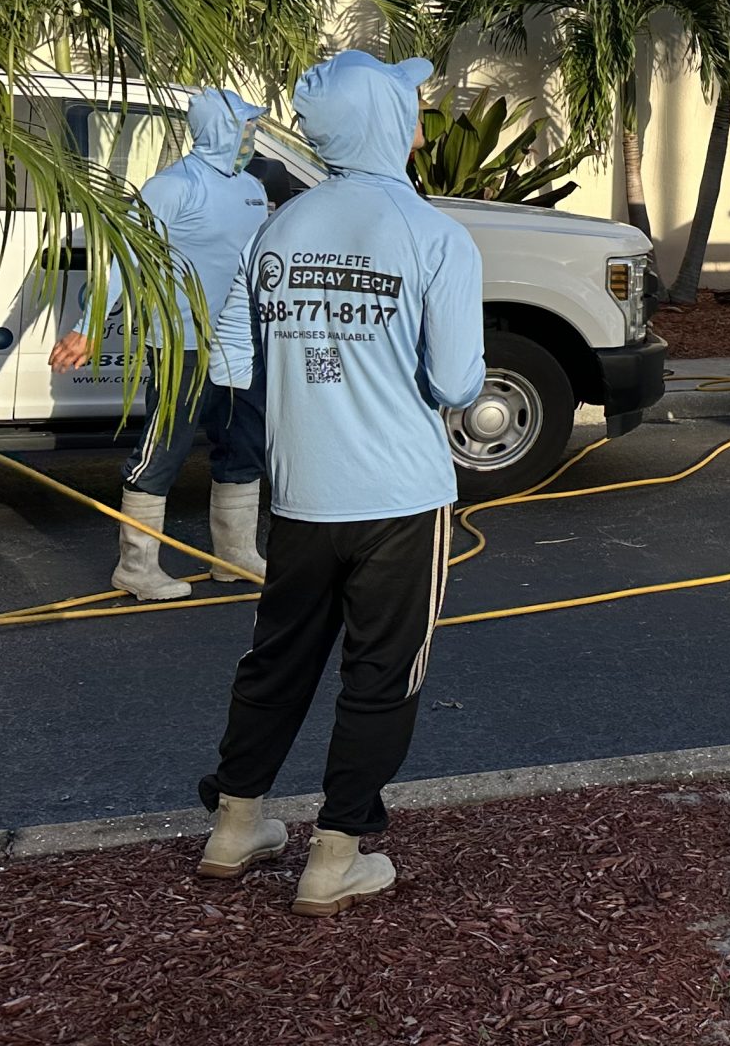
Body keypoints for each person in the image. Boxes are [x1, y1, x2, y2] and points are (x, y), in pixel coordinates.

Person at [194, 51, 484, 916]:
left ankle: (234, 825)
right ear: (388, 124)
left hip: (301, 492)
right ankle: (335, 855)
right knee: (381, 675)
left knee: (276, 659)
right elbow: (458, 382)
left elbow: (238, 357)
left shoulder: (278, 227)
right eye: (411, 107)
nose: (422, 124)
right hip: (400, 497)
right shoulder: (434, 234)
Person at [49, 88, 272, 602]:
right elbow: (125, 260)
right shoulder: (172, 187)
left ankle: (235, 556)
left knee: (244, 446)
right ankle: (136, 566)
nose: (251, 136)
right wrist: (88, 327)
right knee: (165, 448)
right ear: (219, 129)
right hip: (181, 343)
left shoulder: (252, 188)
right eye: (245, 126)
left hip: (240, 342)